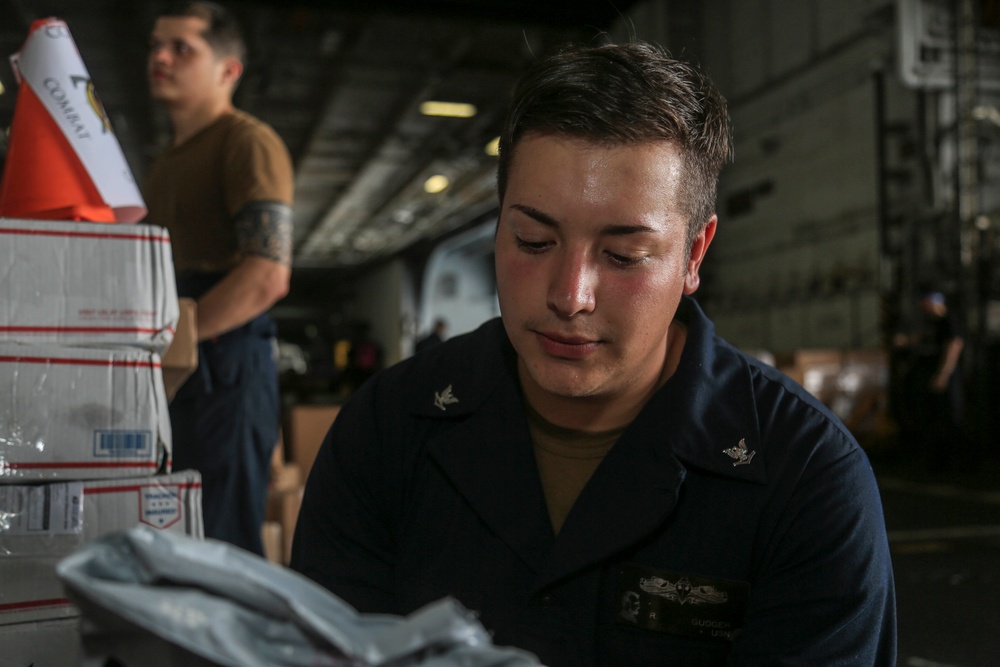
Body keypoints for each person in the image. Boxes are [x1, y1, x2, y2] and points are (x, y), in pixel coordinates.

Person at [291, 42, 896, 665]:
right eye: (532, 241)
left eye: (623, 256)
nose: (569, 295)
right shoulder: (387, 431)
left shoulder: (806, 479)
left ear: (694, 255)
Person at [144, 1, 293, 555]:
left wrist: (178, 341)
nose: (160, 56)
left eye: (182, 47)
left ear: (228, 70)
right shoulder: (164, 163)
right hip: (182, 352)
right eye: (157, 45)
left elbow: (267, 275)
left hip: (221, 360)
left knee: (221, 543)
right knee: (173, 538)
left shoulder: (245, 142)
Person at [892, 290, 965, 469]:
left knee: (950, 418)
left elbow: (954, 346)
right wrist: (905, 342)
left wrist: (943, 374)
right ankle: (937, 460)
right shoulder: (933, 323)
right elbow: (921, 340)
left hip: (945, 380)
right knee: (933, 418)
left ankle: (956, 461)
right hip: (934, 378)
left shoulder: (949, 322)